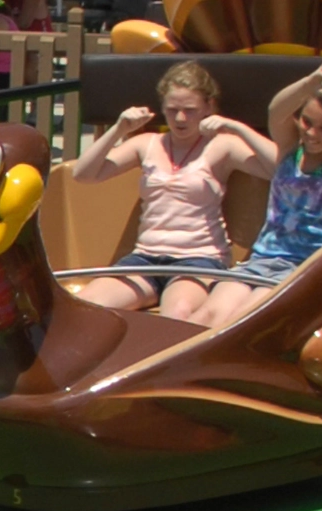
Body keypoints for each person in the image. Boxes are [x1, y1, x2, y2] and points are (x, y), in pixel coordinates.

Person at [67, 60, 278, 324]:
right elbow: (84, 175)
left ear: (208, 108)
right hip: (145, 259)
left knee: (177, 317)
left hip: (198, 260)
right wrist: (119, 128)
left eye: (190, 110)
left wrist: (237, 128)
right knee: (85, 307)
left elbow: (280, 170)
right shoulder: (146, 144)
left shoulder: (221, 146)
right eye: (172, 110)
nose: (180, 119)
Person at [197, 61, 322, 327]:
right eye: (306, 121)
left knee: (237, 322)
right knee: (206, 316)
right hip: (262, 260)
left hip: (306, 271)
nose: (311, 133)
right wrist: (310, 83)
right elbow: (276, 110)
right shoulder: (291, 150)